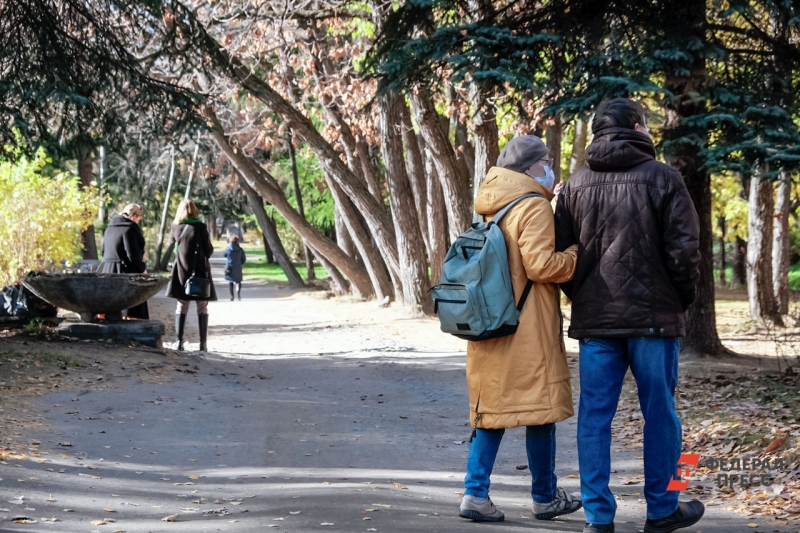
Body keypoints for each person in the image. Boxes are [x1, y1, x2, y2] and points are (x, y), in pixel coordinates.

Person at [554, 98, 703, 533]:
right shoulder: (664, 178)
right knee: (662, 413)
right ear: (638, 127)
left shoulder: (575, 184)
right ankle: (663, 509)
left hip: (596, 321)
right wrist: (681, 298)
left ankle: (598, 517)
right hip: (655, 320)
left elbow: (563, 255)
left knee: (594, 417)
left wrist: (578, 293)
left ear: (598, 132)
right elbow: (685, 250)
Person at [460, 136, 582, 523]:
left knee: (492, 412)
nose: (552, 168)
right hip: (525, 327)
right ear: (530, 168)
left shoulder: (494, 204)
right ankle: (544, 497)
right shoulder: (532, 205)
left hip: (492, 321)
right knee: (539, 412)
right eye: (547, 161)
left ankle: (474, 494)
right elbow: (542, 266)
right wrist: (577, 254)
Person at [166, 199, 217, 351]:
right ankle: (203, 344)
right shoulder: (201, 226)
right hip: (199, 270)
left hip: (181, 270)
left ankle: (179, 342)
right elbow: (209, 249)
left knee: (181, 305)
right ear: (195, 210)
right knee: (202, 306)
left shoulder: (176, 226)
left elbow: (174, 242)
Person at [98, 203, 149, 319]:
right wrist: (143, 268)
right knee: (133, 308)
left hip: (105, 271)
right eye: (139, 219)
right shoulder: (129, 230)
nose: (138, 222)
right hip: (125, 273)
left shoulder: (109, 229)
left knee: (108, 310)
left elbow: (103, 252)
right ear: (135, 215)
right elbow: (133, 257)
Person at [223, 235, 246, 301]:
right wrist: (240, 263)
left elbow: (224, 255)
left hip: (230, 267)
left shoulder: (228, 249)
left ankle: (232, 296)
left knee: (231, 282)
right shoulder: (240, 249)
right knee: (238, 281)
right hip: (238, 267)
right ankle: (238, 293)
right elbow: (243, 259)